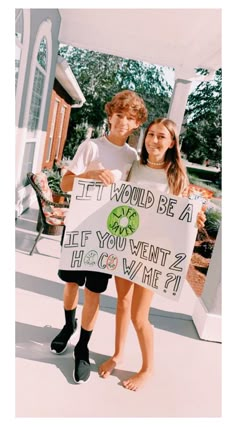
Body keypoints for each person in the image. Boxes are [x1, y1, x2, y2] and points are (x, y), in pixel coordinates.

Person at [98, 117, 206, 391]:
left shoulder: (176, 175)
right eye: (151, 135)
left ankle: (147, 369)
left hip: (152, 254)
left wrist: (197, 217)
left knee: (139, 316)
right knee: (122, 302)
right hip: (126, 245)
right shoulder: (135, 166)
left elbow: (184, 215)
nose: (154, 140)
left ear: (171, 144)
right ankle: (118, 354)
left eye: (161, 137)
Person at [50, 90, 148, 384]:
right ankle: (68, 327)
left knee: (94, 291)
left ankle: (82, 346)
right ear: (110, 116)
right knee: (71, 283)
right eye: (119, 115)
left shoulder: (133, 159)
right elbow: (65, 183)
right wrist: (90, 176)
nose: (123, 122)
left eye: (130, 118)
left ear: (135, 125)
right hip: (79, 227)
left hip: (108, 236)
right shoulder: (90, 147)